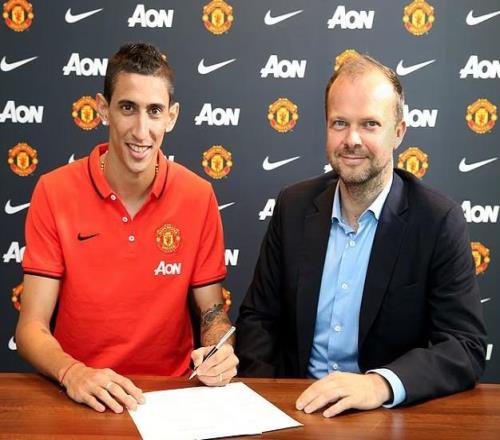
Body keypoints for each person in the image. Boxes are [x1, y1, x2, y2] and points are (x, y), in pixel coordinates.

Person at [235, 54, 486, 417]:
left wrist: (380, 384)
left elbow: (464, 345)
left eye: (370, 124)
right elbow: (258, 319)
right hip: (295, 409)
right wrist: (269, 403)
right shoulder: (293, 206)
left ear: (398, 132)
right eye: (340, 123)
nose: (352, 140)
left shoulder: (437, 220)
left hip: (383, 416)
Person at [16, 42, 238, 414]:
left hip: (171, 397)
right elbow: (30, 327)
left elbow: (212, 311)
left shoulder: (198, 196)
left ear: (171, 117)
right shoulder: (54, 191)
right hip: (83, 396)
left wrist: (219, 349)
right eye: (127, 108)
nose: (141, 129)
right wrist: (73, 373)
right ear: (103, 109)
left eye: (154, 111)